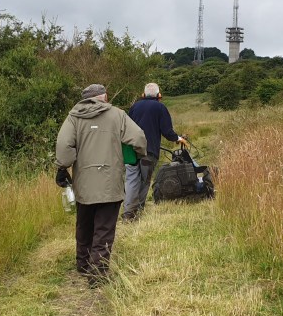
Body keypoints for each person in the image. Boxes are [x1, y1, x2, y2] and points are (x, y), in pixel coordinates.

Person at [55, 83, 147, 286]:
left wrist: (63, 167)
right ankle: (97, 273)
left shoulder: (74, 116)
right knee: (104, 228)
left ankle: (83, 264)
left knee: (84, 224)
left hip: (84, 183)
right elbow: (139, 137)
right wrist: (137, 155)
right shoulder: (117, 115)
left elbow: (63, 145)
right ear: (103, 96)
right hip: (109, 180)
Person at [122, 82, 187, 222]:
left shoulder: (134, 107)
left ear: (143, 95)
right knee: (145, 181)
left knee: (131, 180)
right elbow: (167, 131)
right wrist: (178, 138)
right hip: (148, 151)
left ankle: (128, 213)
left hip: (131, 150)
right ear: (159, 95)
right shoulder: (160, 107)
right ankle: (138, 211)